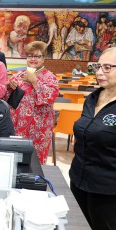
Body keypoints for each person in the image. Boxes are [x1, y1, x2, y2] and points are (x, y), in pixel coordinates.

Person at [69, 47, 116, 230]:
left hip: (107, 191)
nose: (99, 72)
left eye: (107, 67)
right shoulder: (92, 98)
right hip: (79, 179)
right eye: (98, 66)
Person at [5, 41, 59, 164]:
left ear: (44, 58)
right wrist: (8, 86)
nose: (33, 59)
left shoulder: (50, 77)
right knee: (16, 157)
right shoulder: (19, 75)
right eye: (30, 56)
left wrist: (35, 82)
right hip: (17, 125)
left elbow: (51, 96)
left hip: (39, 127)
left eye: (37, 56)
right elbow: (6, 97)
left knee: (35, 160)